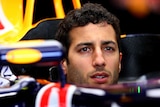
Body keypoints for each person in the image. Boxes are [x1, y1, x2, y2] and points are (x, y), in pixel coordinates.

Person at [55, 3, 122, 87]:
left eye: (108, 49)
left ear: (119, 61)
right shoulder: (46, 99)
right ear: (63, 64)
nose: (100, 61)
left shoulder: (138, 92)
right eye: (85, 49)